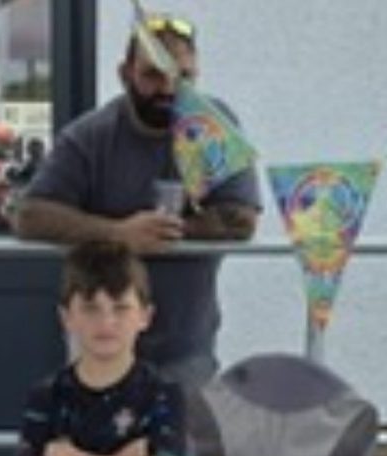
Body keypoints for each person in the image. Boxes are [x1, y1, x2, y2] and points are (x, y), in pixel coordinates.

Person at [14, 12, 261, 387]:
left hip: (186, 347)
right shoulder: (90, 136)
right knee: (94, 446)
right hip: (100, 344)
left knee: (179, 446)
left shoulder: (212, 129)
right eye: (152, 75)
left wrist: (172, 231)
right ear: (124, 73)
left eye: (183, 76)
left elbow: (242, 220)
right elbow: (29, 216)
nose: (168, 89)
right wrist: (118, 233)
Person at [16, 240, 186, 456]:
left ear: (145, 316)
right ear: (66, 318)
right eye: (90, 308)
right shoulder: (47, 393)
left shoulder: (164, 391)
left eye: (120, 308)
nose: (106, 322)